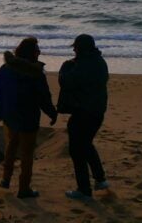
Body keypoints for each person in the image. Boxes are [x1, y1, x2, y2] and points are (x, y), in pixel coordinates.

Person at [0, 36, 58, 199]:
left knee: (11, 146)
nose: (39, 52)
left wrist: (0, 109)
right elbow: (44, 98)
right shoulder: (36, 73)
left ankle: (5, 180)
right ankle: (24, 188)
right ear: (32, 53)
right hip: (28, 116)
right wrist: (52, 113)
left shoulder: (6, 68)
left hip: (10, 114)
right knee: (27, 154)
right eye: (37, 50)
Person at [57, 34, 110, 200]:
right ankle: (100, 179)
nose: (74, 50)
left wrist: (64, 68)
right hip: (97, 112)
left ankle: (84, 189)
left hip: (84, 112)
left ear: (80, 48)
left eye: (75, 47)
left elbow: (67, 81)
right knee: (86, 144)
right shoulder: (99, 62)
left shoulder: (84, 65)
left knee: (76, 150)